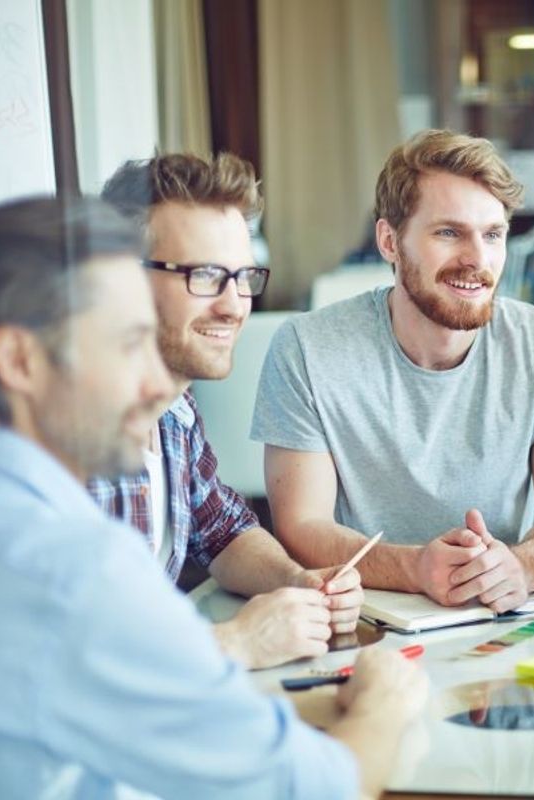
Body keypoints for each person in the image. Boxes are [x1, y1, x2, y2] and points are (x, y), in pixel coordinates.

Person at [0, 196, 427, 799]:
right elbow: (318, 789)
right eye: (129, 343)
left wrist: (293, 578)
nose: (157, 384)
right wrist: (383, 702)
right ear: (19, 359)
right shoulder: (74, 566)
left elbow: (224, 525)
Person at [252, 129, 534, 613]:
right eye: (448, 232)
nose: (477, 260)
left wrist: (523, 567)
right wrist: (414, 568)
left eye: (493, 235)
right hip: (363, 616)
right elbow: (301, 527)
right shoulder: (307, 349)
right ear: (389, 241)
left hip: (495, 614)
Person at [86, 152, 363, 670]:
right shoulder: (68, 432)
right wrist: (238, 643)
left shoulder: (174, 413)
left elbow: (226, 532)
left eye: (243, 276)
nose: (235, 305)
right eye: (208, 276)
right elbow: (72, 653)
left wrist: (298, 582)